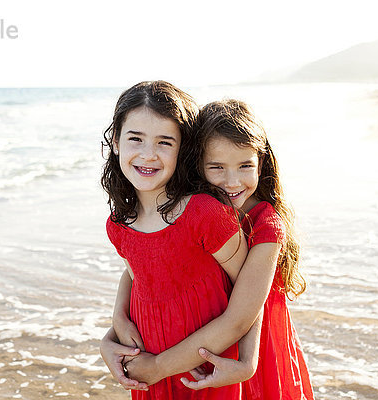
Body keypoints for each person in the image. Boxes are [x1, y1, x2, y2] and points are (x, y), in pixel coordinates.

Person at [105, 99, 314, 400]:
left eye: (245, 166)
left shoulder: (267, 225)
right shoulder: (195, 210)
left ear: (261, 163)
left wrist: (247, 362)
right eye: (217, 167)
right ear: (196, 164)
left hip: (247, 346)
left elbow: (245, 311)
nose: (232, 182)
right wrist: (116, 323)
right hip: (205, 343)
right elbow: (141, 266)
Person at [100, 81, 248, 399]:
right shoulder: (118, 223)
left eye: (164, 142)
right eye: (135, 139)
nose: (148, 154)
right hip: (149, 372)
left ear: (183, 149)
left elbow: (250, 294)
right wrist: (114, 326)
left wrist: (248, 361)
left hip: (205, 372)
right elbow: (136, 273)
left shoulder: (205, 213)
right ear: (115, 141)